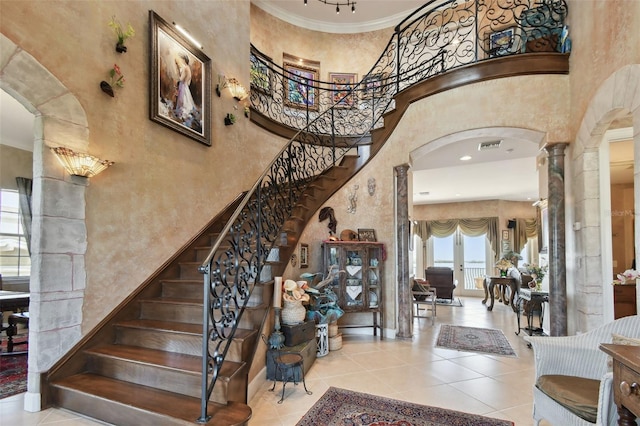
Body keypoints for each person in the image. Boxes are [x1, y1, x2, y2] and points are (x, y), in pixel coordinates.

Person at [174, 53, 196, 121]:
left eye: (181, 59)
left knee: (183, 98)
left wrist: (180, 80)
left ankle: (183, 113)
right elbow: (189, 78)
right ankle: (184, 112)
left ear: (184, 60)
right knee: (185, 98)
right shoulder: (187, 67)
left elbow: (182, 78)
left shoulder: (185, 68)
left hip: (183, 84)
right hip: (185, 84)